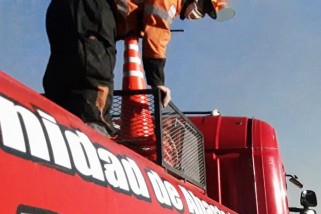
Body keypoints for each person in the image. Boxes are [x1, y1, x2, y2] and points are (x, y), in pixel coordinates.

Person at [43, 0, 228, 135]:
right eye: (203, 7)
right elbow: (157, 30)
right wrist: (157, 82)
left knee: (65, 72)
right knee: (96, 75)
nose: (199, 14)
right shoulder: (171, 2)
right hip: (92, 10)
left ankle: (49, 116)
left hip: (64, 9)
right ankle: (94, 132)